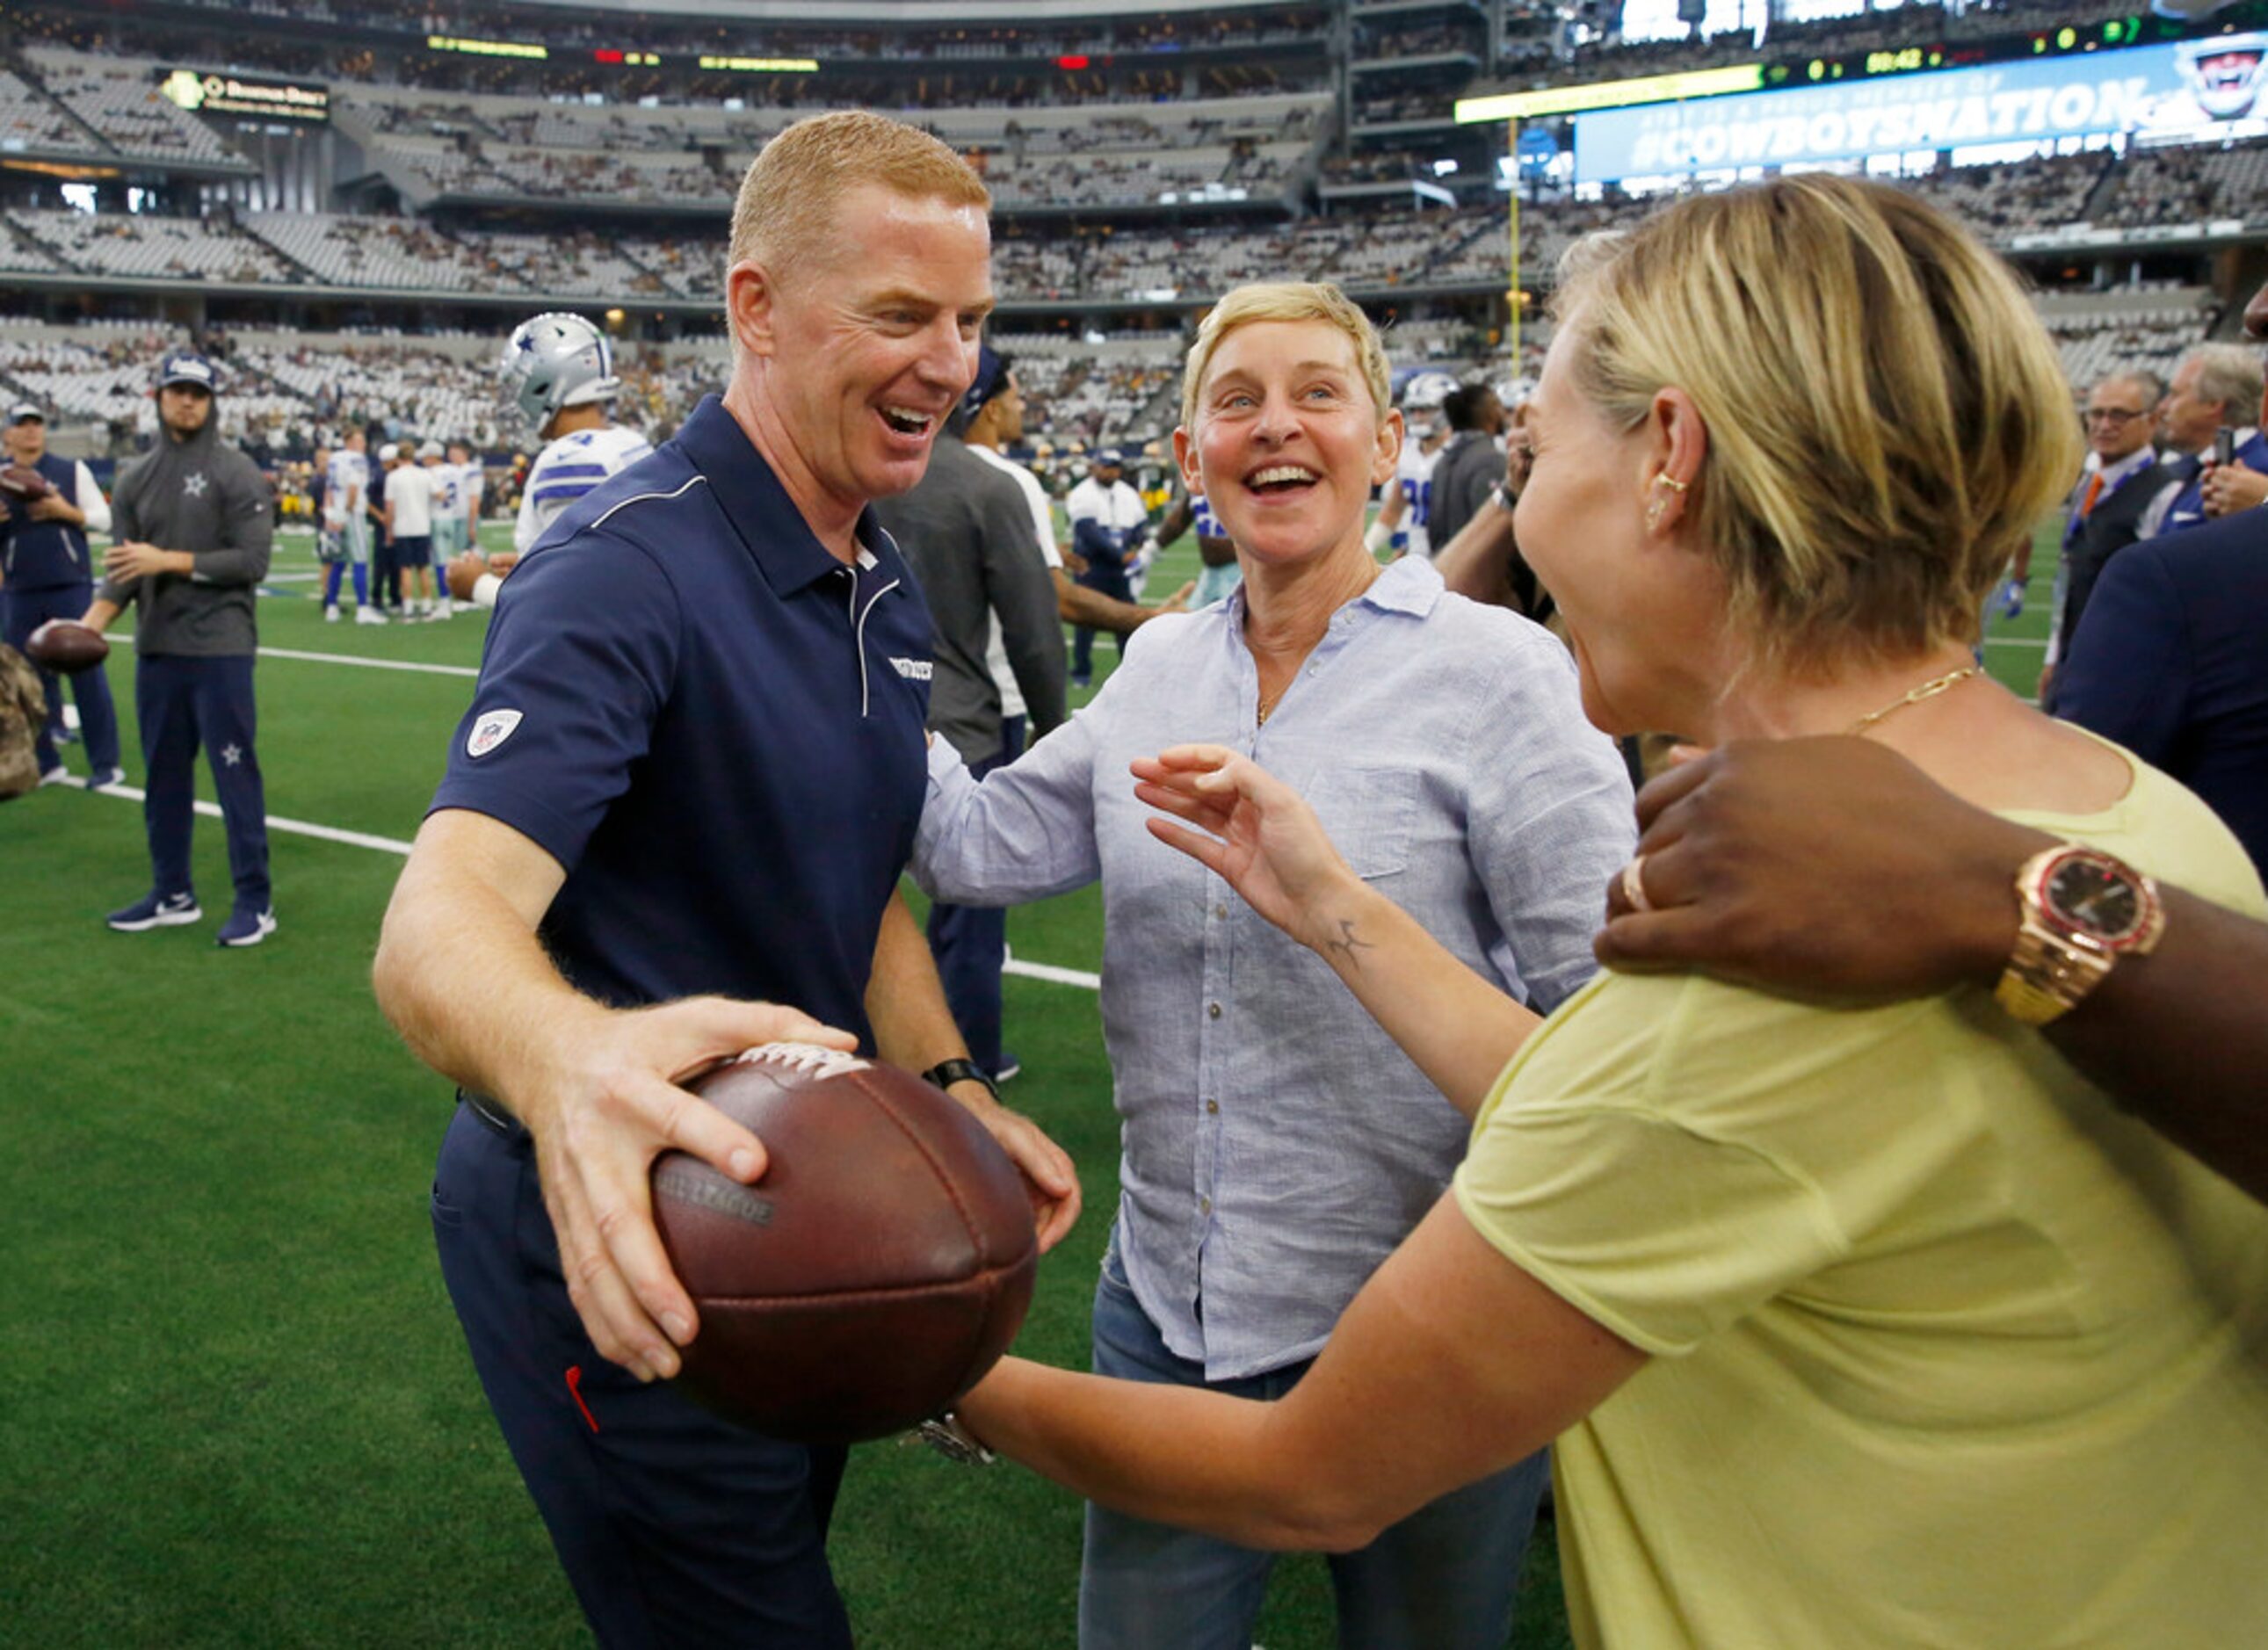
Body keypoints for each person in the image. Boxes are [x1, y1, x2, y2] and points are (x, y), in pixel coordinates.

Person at [946, 178, 2268, 1650]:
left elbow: (1310, 1469)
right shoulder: (2148, 835)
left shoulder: (1733, 1000)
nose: (1514, 510)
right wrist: (1332, 904)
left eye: (1533, 448)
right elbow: (1604, 1106)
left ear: (1669, 461)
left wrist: (923, 1368)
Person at [370, 112, 1078, 1649]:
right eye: (899, 314)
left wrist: (950, 1080)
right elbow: (437, 921)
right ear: (755, 308)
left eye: (967, 320)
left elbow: (849, 874)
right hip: (618, 1228)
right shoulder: (623, 566)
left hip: (780, 1204)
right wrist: (569, 1061)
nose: (949, 361)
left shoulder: (877, 573)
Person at [911, 280, 1635, 1650]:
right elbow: (975, 845)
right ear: (1192, 461)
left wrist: (1337, 904)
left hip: (1438, 1310)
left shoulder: (1502, 675)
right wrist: (834, 664)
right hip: (1169, 1301)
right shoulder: (1162, 666)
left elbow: (1606, 1039)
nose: (1274, 426)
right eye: (1234, 402)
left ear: (1382, 443)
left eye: (1316, 393)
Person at [871, 373, 1068, 1086]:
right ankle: (967, 1068)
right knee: (969, 921)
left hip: (844, 718)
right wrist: (1052, 725)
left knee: (848, 910)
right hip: (955, 724)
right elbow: (1034, 630)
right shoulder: (988, 486)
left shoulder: (843, 473)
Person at [82, 351, 276, 947]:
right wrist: (89, 625)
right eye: (176, 391)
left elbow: (252, 561)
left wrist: (167, 560)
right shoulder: (134, 476)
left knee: (234, 775)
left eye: (197, 391)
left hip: (220, 649)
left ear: (212, 400)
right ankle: (172, 893)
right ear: (157, 397)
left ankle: (255, 900)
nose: (186, 401)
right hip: (158, 649)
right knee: (163, 778)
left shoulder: (236, 471)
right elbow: (122, 570)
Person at [1, 402, 123, 787]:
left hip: (69, 584)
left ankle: (106, 763)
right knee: (23, 683)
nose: (31, 430)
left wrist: (64, 511)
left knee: (87, 674)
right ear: (8, 434)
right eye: (22, 424)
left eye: (37, 423)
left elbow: (104, 518)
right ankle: (45, 761)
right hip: (19, 589)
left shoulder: (71, 470)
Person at [2038, 370, 2169, 702]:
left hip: (2123, 667)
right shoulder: (2089, 483)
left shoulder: (2165, 490)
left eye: (2119, 415)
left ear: (2152, 421)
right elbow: (2070, 578)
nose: (2104, 424)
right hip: (2075, 656)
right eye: (2096, 413)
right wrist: (2054, 655)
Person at [507, 312, 654, 556]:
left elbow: (576, 584)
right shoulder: (631, 441)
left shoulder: (573, 458)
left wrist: (478, 583)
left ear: (545, 382)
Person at [2135, 342, 2263, 538]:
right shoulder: (2197, 467)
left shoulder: (2256, 470)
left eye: (2175, 395)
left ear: (2213, 404)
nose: (2163, 407)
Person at [1065, 447, 1148, 688]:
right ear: (1095, 467)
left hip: (1121, 568)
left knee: (1126, 619)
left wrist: (1141, 545)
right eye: (1105, 466)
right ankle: (1081, 672)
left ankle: (1129, 671)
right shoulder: (1083, 492)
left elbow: (1139, 525)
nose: (1109, 472)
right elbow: (1088, 533)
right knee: (1086, 621)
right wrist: (1121, 555)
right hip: (1092, 566)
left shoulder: (1128, 493)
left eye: (1113, 467)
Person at [1363, 369, 1455, 561]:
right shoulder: (1409, 452)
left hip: (1455, 558)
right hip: (1420, 557)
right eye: (1414, 410)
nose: (1418, 417)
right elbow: (1393, 510)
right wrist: (1367, 547)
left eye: (1426, 410)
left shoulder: (1460, 453)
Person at [1424, 382, 1505, 551]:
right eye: (1498, 405)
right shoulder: (1491, 461)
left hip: (1444, 567)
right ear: (1491, 414)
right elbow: (1493, 533)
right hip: (1478, 571)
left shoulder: (1442, 462)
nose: (1503, 412)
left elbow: (1434, 533)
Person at [322, 427, 380, 625]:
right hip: (352, 514)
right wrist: (345, 514)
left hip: (336, 513)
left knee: (338, 563)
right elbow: (353, 490)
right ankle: (363, 608)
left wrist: (331, 515)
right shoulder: (357, 459)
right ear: (351, 441)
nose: (363, 444)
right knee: (360, 560)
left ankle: (331, 606)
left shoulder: (334, 458)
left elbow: (329, 488)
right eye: (360, 440)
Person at [385, 439, 440, 620]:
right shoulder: (424, 474)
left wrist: (389, 530)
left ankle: (408, 607)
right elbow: (440, 494)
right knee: (423, 568)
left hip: (402, 527)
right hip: (422, 525)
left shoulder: (393, 477)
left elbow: (390, 507)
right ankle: (426, 606)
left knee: (405, 569)